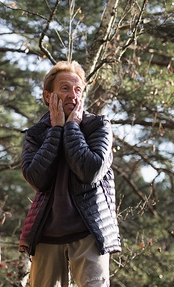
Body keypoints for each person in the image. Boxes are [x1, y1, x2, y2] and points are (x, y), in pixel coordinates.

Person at [18, 61, 121, 287]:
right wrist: (56, 130)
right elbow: (36, 179)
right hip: (46, 234)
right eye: (64, 88)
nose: (72, 96)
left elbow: (90, 171)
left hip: (89, 231)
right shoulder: (36, 134)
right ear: (48, 95)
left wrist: (72, 128)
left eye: (78, 90)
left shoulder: (98, 126)